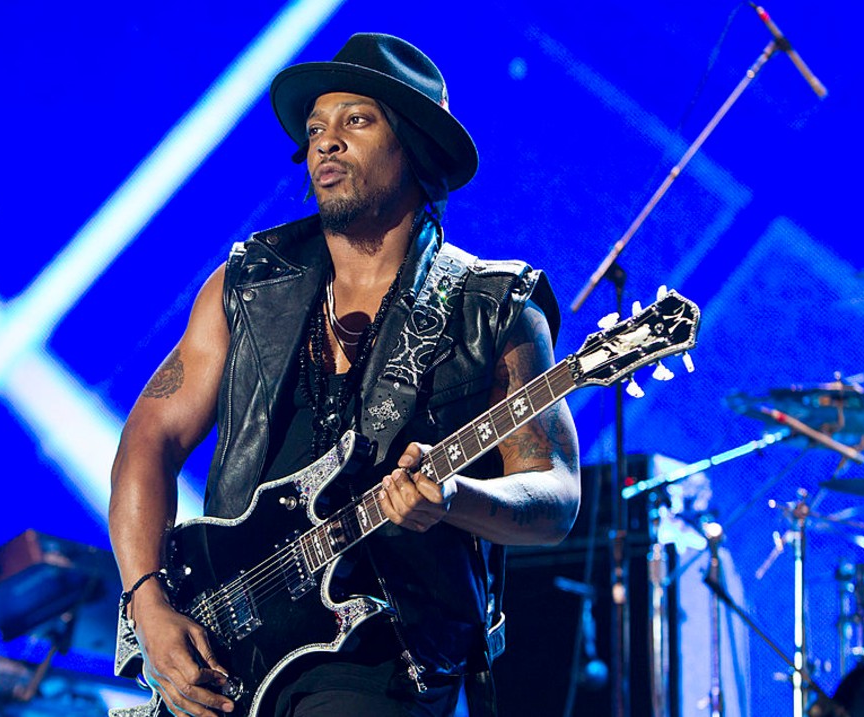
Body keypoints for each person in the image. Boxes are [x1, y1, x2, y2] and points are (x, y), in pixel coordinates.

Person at [108, 32, 580, 717]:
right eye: (315, 128)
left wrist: (455, 498)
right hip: (230, 651)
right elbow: (149, 438)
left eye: (356, 120)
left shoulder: (493, 307)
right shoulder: (246, 285)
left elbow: (555, 492)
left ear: (415, 146)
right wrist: (147, 600)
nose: (326, 141)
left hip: (389, 656)